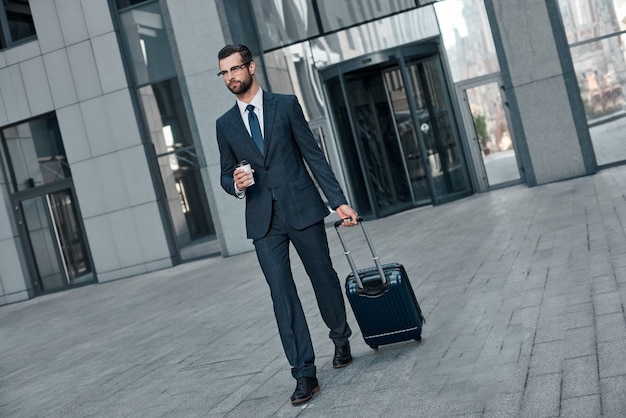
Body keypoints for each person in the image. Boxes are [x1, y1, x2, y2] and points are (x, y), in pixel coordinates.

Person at [215, 44, 359, 405]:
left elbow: (313, 156)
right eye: (224, 72)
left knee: (322, 277)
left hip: (302, 207)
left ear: (251, 68)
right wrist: (235, 183)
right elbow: (224, 173)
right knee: (282, 295)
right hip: (263, 220)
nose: (230, 77)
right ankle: (304, 373)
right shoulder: (225, 125)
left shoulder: (286, 105)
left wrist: (338, 201)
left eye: (235, 69)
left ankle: (340, 337)